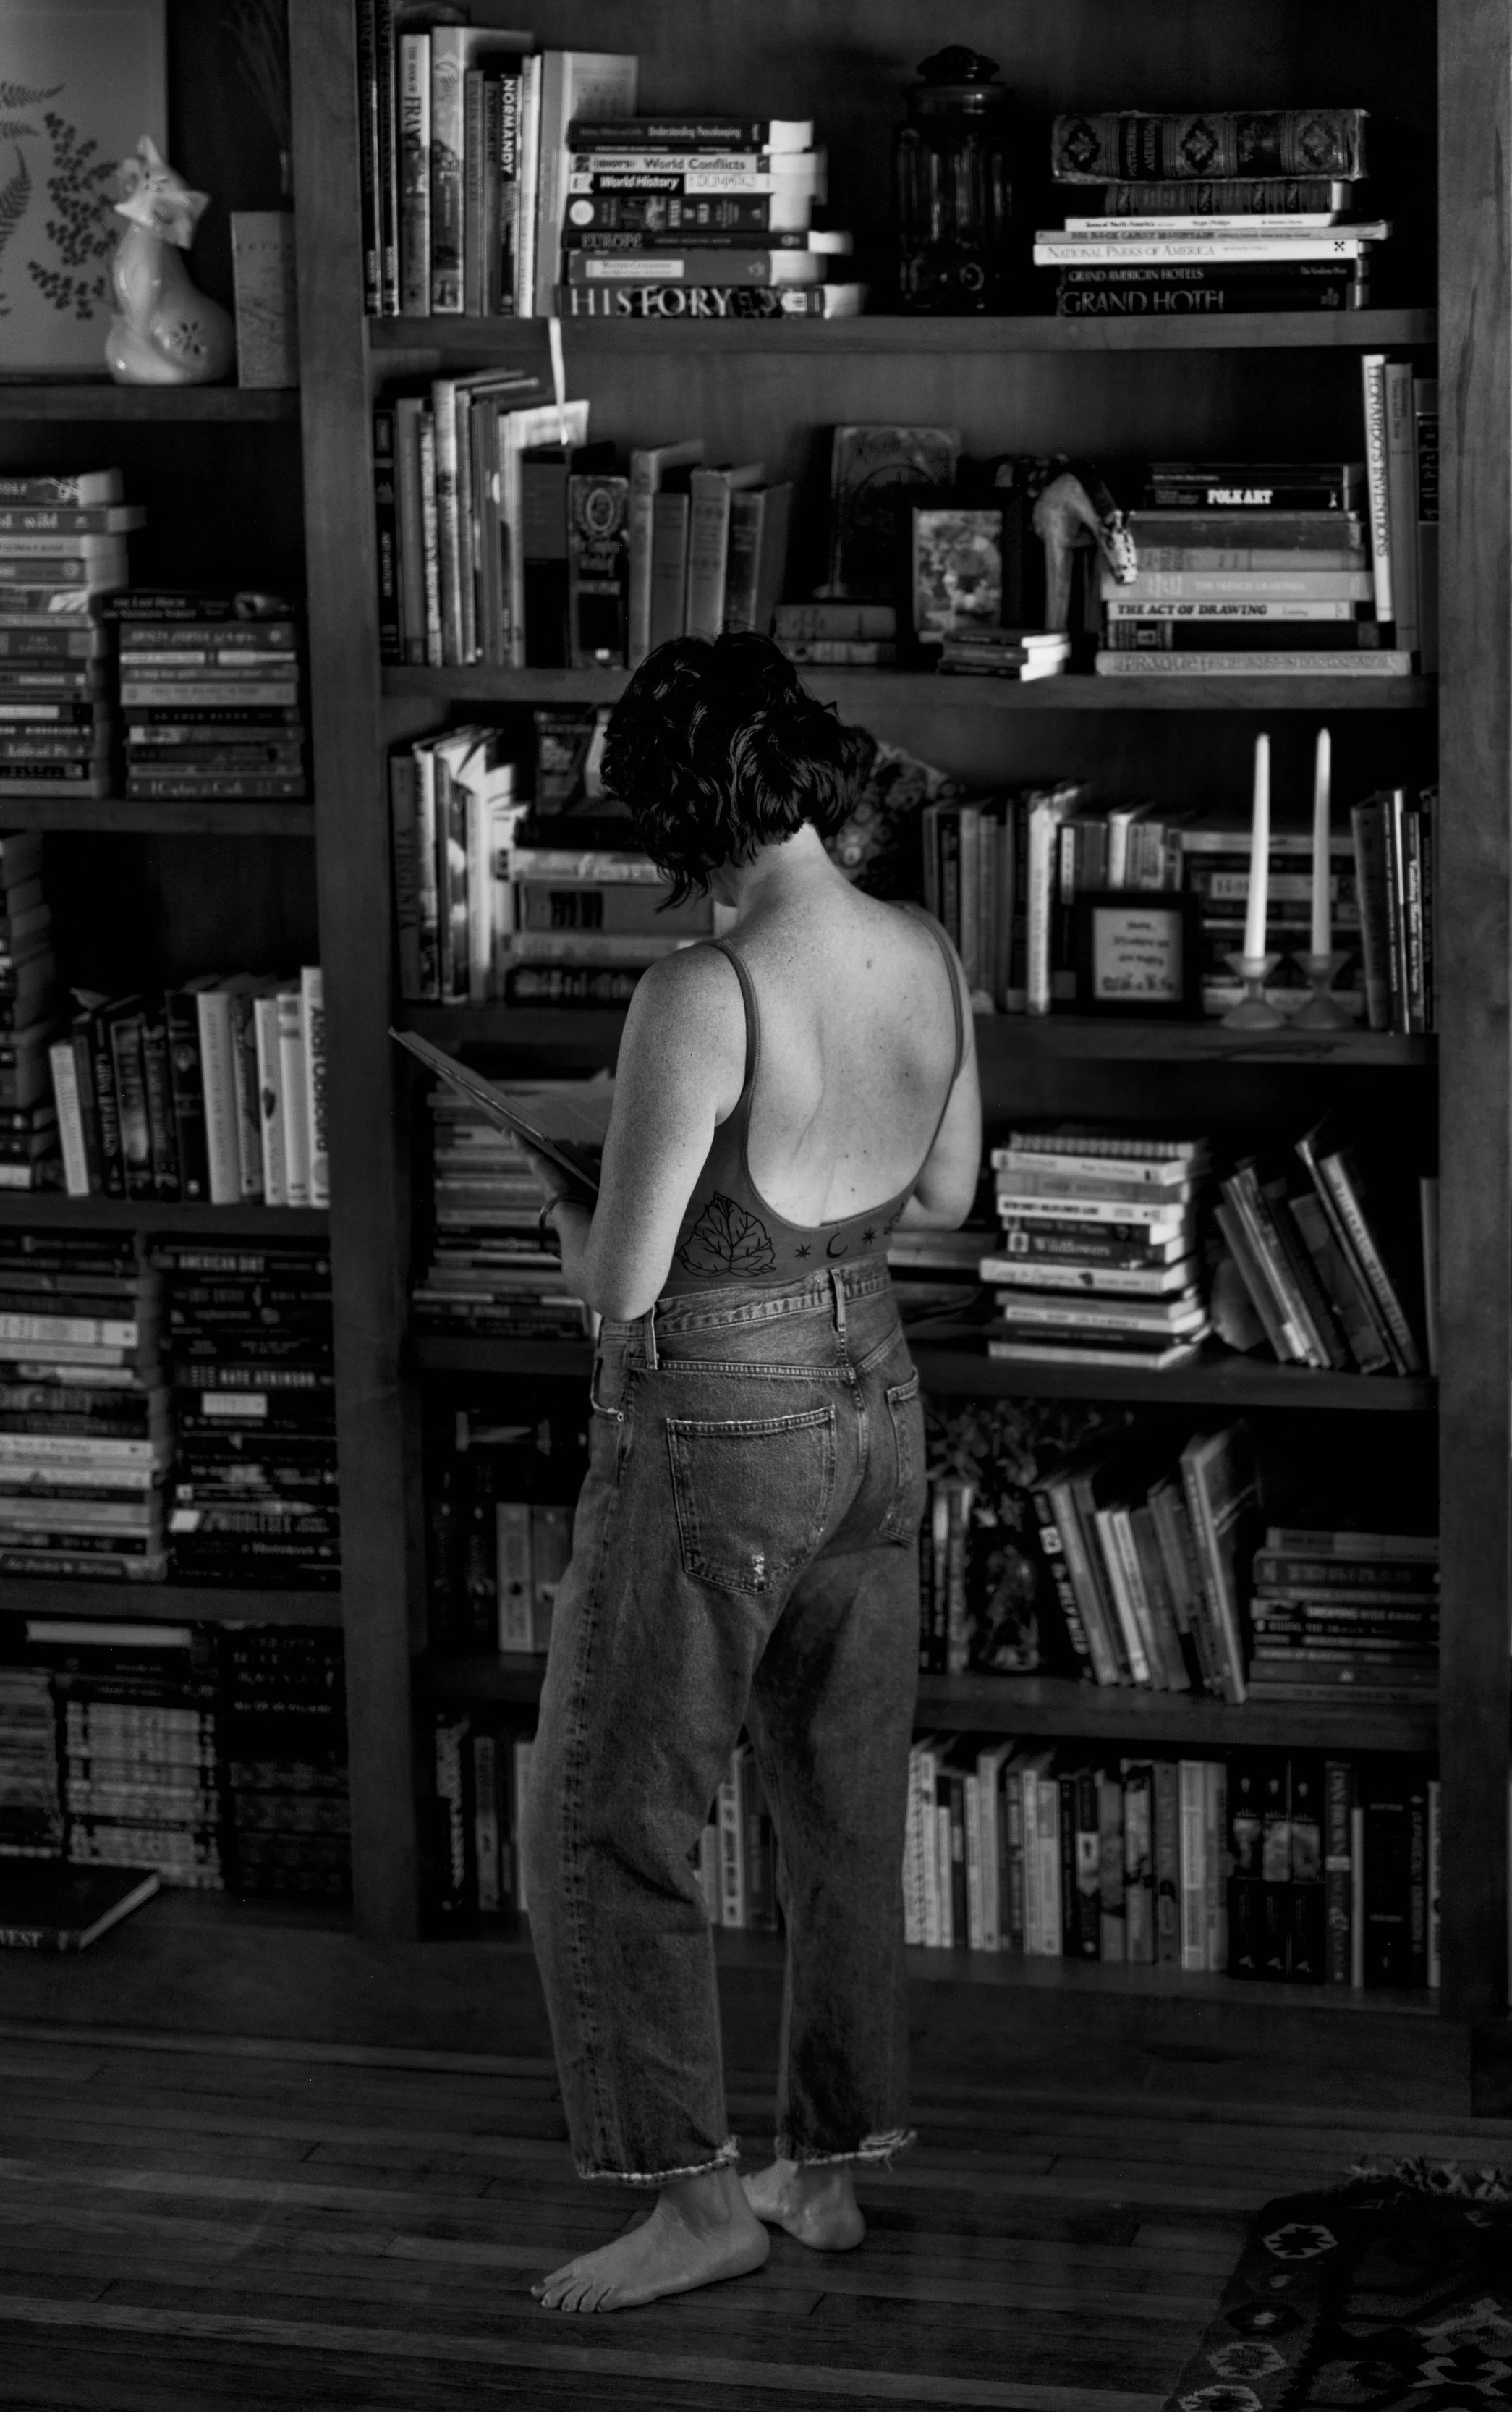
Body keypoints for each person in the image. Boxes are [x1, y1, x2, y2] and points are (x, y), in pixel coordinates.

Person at [518, 633, 982, 2315]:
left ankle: (688, 2198)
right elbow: (941, 1190)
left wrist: (573, 1211)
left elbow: (622, 1288)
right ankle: (825, 2171)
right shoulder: (921, 944)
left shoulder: (699, 996)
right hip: (875, 1399)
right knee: (837, 1813)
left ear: (679, 818)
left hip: (721, 1425)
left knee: (606, 1816)